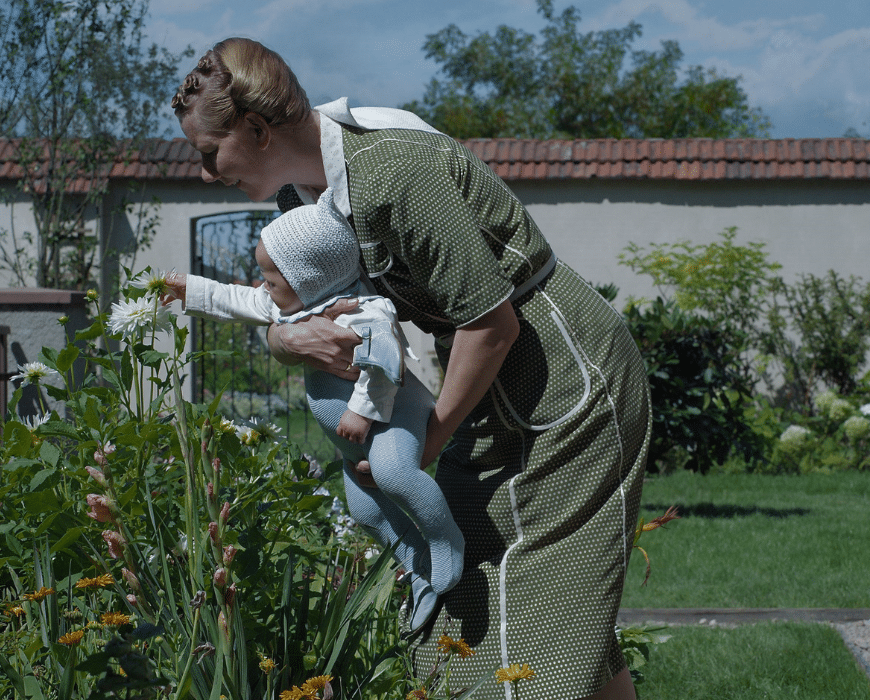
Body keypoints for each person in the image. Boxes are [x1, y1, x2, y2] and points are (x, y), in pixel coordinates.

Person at [170, 38, 652, 700]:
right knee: (480, 588)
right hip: (488, 384)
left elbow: (492, 323)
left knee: (523, 606)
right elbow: (309, 316)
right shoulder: (305, 204)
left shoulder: (391, 172)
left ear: (255, 129)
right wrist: (289, 345)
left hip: (562, 376)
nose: (204, 171)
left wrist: (427, 442)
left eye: (208, 151)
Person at [165, 190, 464, 634]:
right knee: (365, 511)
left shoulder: (365, 311)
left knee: (395, 474)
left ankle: (445, 540)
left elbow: (386, 363)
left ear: (307, 277)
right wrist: (189, 289)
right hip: (352, 440)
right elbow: (238, 299)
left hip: (392, 417)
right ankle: (416, 563)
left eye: (271, 277)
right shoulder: (296, 306)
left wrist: (362, 412)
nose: (262, 284)